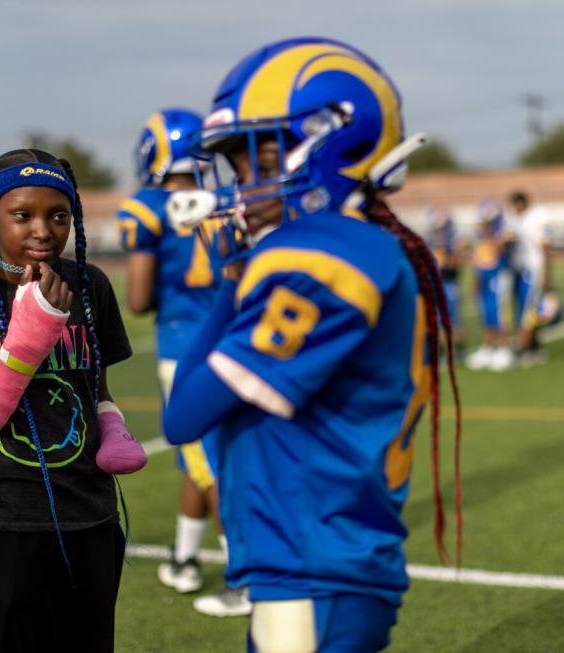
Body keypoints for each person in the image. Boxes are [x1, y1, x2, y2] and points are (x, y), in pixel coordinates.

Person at [161, 37, 462, 652]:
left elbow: (185, 412)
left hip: (313, 564)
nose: (244, 186)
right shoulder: (362, 245)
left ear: (339, 141)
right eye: (239, 168)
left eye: (262, 160)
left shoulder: (325, 251)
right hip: (318, 560)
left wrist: (232, 287)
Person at [0, 149, 143, 652]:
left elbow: (95, 384)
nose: (42, 230)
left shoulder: (89, 286)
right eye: (23, 215)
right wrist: (28, 339)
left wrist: (114, 425)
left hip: (91, 519)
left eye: (58, 216)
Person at [116, 109, 250, 617]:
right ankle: (186, 559)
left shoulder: (148, 208)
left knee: (206, 460)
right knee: (201, 457)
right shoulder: (226, 201)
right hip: (234, 338)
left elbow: (138, 298)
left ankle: (245, 577)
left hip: (185, 347)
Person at [465, 198, 515, 371]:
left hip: (499, 276)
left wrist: (491, 236)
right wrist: (475, 282)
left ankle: (504, 349)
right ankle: (487, 348)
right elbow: (478, 260)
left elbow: (501, 247)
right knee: (486, 314)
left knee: (500, 314)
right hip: (484, 277)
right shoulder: (480, 235)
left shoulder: (505, 233)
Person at [507, 190, 552, 366]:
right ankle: (533, 347)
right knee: (525, 310)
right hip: (520, 270)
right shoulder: (515, 218)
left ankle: (525, 350)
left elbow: (546, 247)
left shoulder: (538, 217)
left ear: (520, 204)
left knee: (528, 312)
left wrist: (547, 276)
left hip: (533, 270)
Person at [424, 207, 466, 358]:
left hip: (449, 283)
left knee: (453, 317)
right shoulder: (430, 241)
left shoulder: (452, 240)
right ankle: (443, 350)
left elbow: (457, 264)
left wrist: (447, 255)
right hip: (435, 283)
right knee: (437, 318)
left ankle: (459, 349)